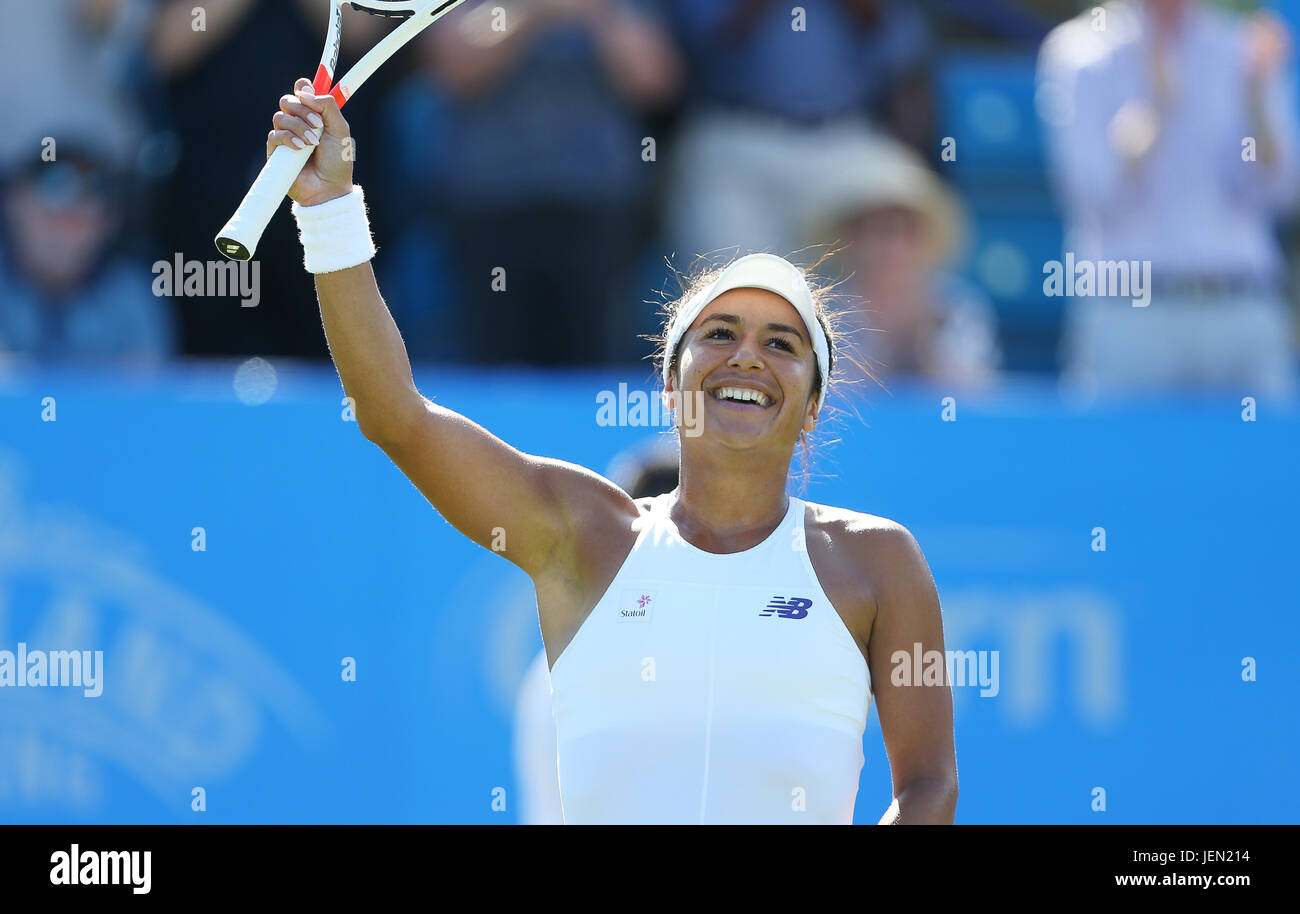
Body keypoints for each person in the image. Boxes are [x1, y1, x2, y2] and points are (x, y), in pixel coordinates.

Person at [262, 77, 957, 823]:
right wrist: (329, 211)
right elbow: (394, 414)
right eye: (719, 335)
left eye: (781, 344)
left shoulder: (880, 561)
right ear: (670, 383)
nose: (747, 358)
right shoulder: (582, 533)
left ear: (814, 403)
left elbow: (928, 786)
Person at [1037, 0, 1299, 396]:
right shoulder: (1079, 53)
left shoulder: (1243, 49)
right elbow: (1094, 191)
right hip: (1132, 317)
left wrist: (1257, 103)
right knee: (1120, 459)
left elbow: (1280, 191)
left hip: (1243, 308)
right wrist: (1155, 110)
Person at [807, 132, 1000, 390]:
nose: (890, 247)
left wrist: (926, 346)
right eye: (876, 231)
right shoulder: (822, 310)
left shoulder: (959, 308)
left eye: (903, 232)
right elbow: (827, 397)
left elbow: (971, 396)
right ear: (850, 240)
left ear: (923, 240)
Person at [0, 130, 176, 368]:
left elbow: (145, 394)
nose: (64, 233)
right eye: (51, 214)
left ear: (109, 223)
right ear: (13, 204)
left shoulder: (132, 297)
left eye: (80, 218)